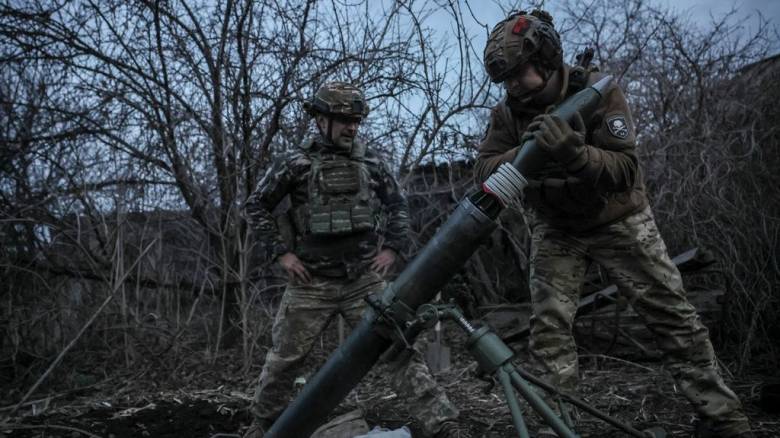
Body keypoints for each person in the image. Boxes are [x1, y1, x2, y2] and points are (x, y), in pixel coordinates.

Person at [475, 10, 753, 438]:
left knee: (672, 316)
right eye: (505, 79)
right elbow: (484, 171)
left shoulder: (596, 92)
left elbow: (625, 168)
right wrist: (525, 153)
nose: (511, 85)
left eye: (518, 74)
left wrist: (575, 154)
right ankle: (556, 425)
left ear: (546, 62)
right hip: (557, 228)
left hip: (618, 219)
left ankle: (723, 419)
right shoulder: (509, 114)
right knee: (549, 329)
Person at [243, 82, 462, 438]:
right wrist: (281, 254)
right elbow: (256, 205)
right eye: (344, 120)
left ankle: (444, 425)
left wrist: (392, 247)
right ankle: (262, 427)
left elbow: (397, 204)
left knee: (398, 349)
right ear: (320, 120)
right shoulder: (295, 163)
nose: (352, 127)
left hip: (363, 280)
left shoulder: (369, 160)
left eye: (356, 120)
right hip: (310, 282)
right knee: (285, 360)